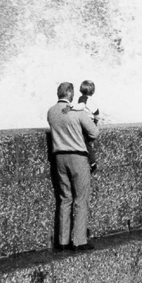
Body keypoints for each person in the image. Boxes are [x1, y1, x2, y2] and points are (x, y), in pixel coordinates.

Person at [48, 82, 100, 251]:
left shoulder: (51, 112)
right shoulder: (76, 112)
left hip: (59, 158)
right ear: (70, 93)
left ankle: (62, 241)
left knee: (65, 198)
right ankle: (79, 240)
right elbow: (94, 133)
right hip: (77, 157)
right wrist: (95, 121)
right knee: (80, 199)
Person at [72, 79, 101, 174]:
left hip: (85, 124)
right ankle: (91, 162)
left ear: (81, 90)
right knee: (88, 144)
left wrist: (70, 108)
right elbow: (97, 114)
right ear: (93, 91)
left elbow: (81, 106)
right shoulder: (94, 101)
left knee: (84, 143)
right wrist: (95, 123)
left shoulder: (83, 98)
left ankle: (92, 163)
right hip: (91, 124)